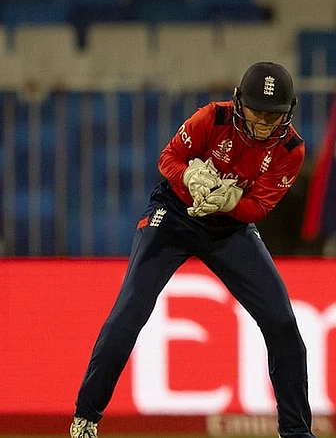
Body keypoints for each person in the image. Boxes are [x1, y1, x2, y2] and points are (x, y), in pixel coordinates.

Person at [70, 62, 315, 438]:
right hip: (174, 215)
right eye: (257, 112)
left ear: (289, 112)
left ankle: (296, 432)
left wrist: (228, 200)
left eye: (273, 115)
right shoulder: (211, 118)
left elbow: (258, 208)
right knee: (130, 310)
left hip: (228, 228)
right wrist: (188, 175)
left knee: (281, 322)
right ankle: (86, 418)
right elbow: (167, 159)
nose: (264, 124)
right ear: (238, 102)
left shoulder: (291, 149)